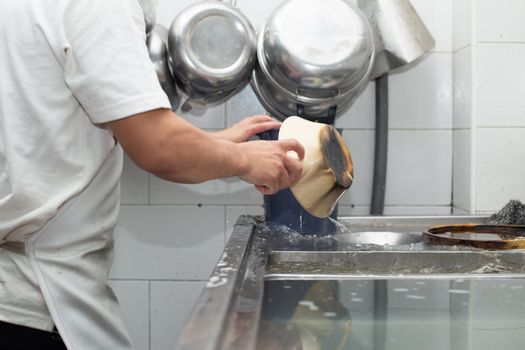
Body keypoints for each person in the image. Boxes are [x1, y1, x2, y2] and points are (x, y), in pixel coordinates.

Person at [0, 0, 304, 349]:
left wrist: (213, 143)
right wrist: (244, 160)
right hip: (38, 301)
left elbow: (59, 136)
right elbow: (158, 147)